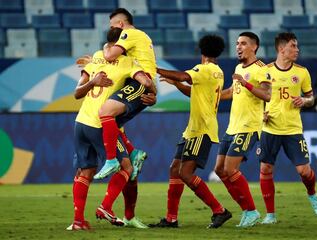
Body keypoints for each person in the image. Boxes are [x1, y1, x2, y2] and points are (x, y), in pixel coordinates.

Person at [67, 28, 152, 230]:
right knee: (127, 167)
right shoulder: (128, 62)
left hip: (81, 123)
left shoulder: (96, 58)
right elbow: (147, 82)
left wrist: (93, 81)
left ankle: (78, 221)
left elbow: (77, 93)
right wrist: (151, 92)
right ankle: (106, 207)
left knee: (85, 171)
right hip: (100, 126)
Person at [149, 35, 232, 229]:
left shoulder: (204, 69)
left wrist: (154, 69)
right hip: (192, 129)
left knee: (185, 173)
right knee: (174, 169)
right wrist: (177, 85)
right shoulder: (216, 72)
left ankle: (219, 210)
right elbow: (192, 91)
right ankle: (171, 219)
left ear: (201, 50)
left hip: (201, 129)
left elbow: (183, 75)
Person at [258, 32, 317, 224]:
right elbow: (256, 98)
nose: (297, 50)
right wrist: (260, 114)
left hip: (293, 129)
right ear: (281, 48)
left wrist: (304, 100)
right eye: (293, 46)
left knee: (304, 171)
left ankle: (312, 194)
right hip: (270, 129)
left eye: (297, 46)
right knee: (265, 169)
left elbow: (312, 99)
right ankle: (270, 215)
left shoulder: (302, 72)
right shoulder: (266, 71)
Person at [213, 32, 272, 228]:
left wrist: (245, 83)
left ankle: (251, 211)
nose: (238, 47)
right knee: (220, 170)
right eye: (237, 43)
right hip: (232, 127)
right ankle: (247, 210)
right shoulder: (239, 67)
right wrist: (211, 96)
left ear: (254, 47)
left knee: (231, 169)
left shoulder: (261, 69)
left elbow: (267, 95)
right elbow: (232, 92)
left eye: (243, 43)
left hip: (248, 127)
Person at [94, 7, 157, 180]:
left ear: (121, 24)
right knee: (110, 121)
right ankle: (133, 152)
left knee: (105, 111)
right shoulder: (143, 36)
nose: (111, 29)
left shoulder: (128, 34)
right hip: (141, 82)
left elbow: (110, 56)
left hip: (140, 81)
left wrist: (106, 47)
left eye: (113, 25)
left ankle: (111, 160)